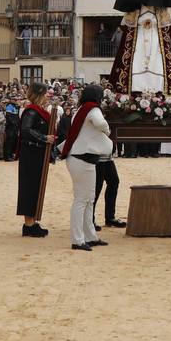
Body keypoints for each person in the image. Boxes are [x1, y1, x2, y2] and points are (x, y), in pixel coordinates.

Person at [60, 84, 113, 251]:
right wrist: (107, 130)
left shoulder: (82, 108)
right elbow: (100, 123)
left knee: (88, 199)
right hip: (82, 158)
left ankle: (90, 236)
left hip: (80, 158)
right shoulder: (93, 108)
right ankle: (77, 240)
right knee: (82, 200)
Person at [16, 82, 56, 236]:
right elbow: (26, 130)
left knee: (36, 188)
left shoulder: (40, 111)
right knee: (30, 188)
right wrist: (44, 137)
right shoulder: (31, 112)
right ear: (39, 94)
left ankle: (33, 221)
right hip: (31, 154)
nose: (48, 95)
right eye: (46, 93)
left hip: (38, 153)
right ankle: (28, 224)